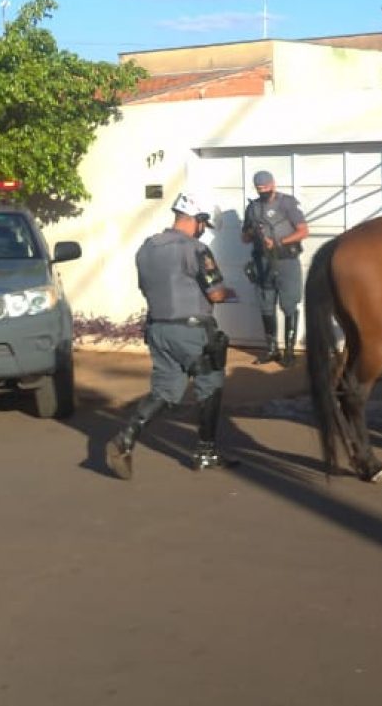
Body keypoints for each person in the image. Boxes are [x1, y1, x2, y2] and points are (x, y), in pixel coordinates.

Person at [109, 192, 234, 478]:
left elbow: (145, 287)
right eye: (204, 223)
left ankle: (125, 437)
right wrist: (229, 293)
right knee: (210, 385)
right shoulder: (195, 250)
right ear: (197, 219)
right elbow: (215, 291)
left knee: (165, 392)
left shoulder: (147, 248)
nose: (204, 230)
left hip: (158, 329)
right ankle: (206, 452)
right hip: (192, 332)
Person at [241, 169, 308, 365]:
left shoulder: (287, 203)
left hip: (286, 261)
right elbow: (244, 238)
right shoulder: (252, 208)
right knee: (266, 307)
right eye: (259, 188)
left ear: (273, 184)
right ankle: (271, 350)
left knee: (289, 305)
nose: (263, 191)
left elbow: (303, 231)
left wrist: (280, 242)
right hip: (262, 263)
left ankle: (288, 351)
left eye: (266, 187)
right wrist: (253, 232)